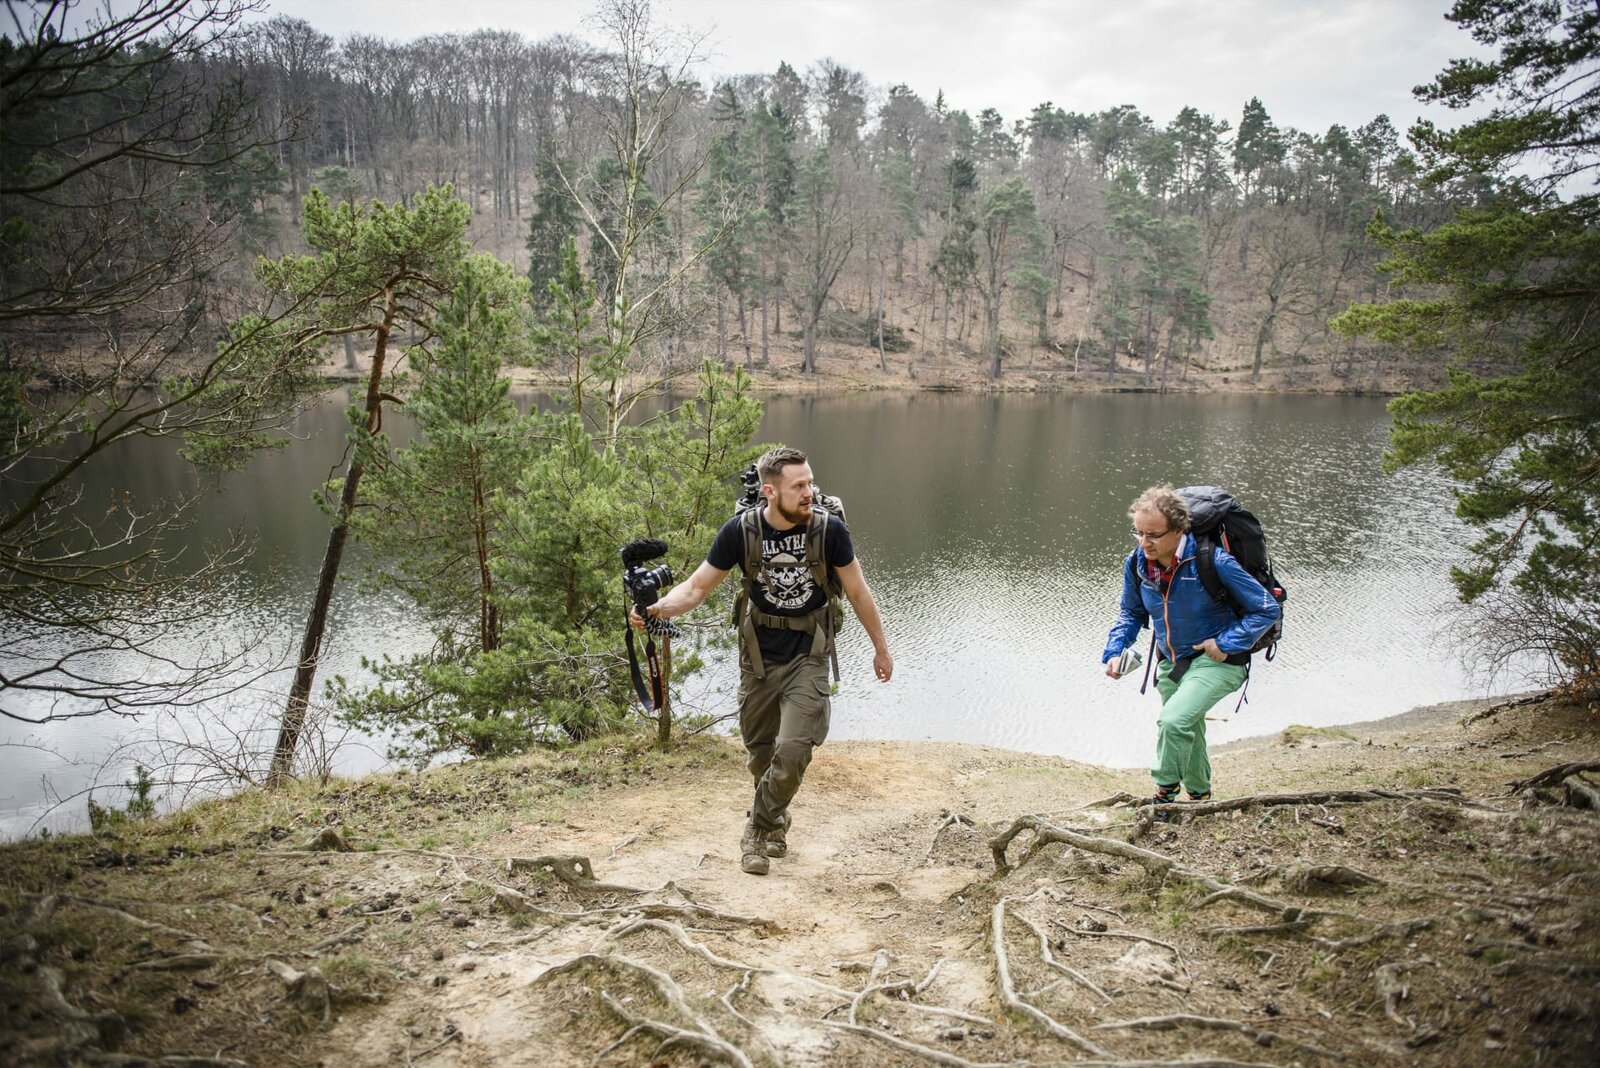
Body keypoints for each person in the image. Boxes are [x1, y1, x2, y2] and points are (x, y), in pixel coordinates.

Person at [632, 446, 893, 875]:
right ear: (770, 491)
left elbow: (859, 591)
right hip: (757, 656)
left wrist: (880, 647)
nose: (808, 493)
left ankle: (755, 829)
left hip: (809, 654)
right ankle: (775, 819)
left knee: (793, 749)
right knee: (760, 754)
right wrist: (658, 609)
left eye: (810, 483)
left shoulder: (830, 531)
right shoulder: (741, 531)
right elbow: (696, 588)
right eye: (798, 486)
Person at [1102, 486, 1281, 809]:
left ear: (1179, 530)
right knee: (1189, 728)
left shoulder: (1212, 560)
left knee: (1173, 722)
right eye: (1138, 533)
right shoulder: (1138, 563)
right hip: (1171, 663)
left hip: (1218, 662)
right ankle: (1200, 797)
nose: (1144, 542)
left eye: (1153, 535)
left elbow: (1266, 609)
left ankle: (1163, 796)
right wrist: (1115, 651)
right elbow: (1131, 613)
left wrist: (1225, 643)